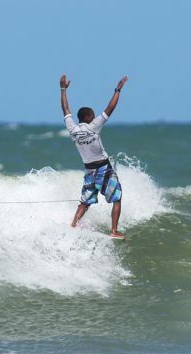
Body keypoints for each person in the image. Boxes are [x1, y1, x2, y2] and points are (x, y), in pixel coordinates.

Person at [59, 74, 128, 239]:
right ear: (89, 117)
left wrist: (63, 89)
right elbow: (110, 109)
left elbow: (65, 110)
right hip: (104, 168)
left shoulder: (73, 130)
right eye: (93, 115)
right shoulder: (94, 126)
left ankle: (73, 226)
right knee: (117, 198)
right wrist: (117, 90)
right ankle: (114, 230)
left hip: (89, 171)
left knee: (85, 202)